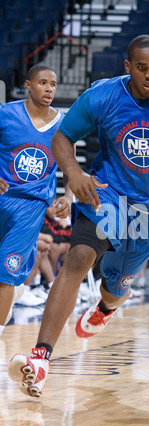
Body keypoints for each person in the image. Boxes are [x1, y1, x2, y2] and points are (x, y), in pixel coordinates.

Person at [8, 35, 149, 398]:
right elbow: (63, 138)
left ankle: (105, 308)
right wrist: (75, 173)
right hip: (109, 195)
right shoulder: (103, 95)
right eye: (142, 68)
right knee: (79, 258)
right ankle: (41, 357)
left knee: (115, 289)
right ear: (127, 67)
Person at [0, 64, 71, 335]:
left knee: (6, 269)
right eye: (43, 83)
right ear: (28, 85)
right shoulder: (6, 114)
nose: (49, 88)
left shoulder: (63, 124)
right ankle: (17, 288)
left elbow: (70, 164)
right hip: (3, 196)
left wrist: (69, 195)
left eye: (53, 84)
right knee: (9, 276)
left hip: (32, 204)